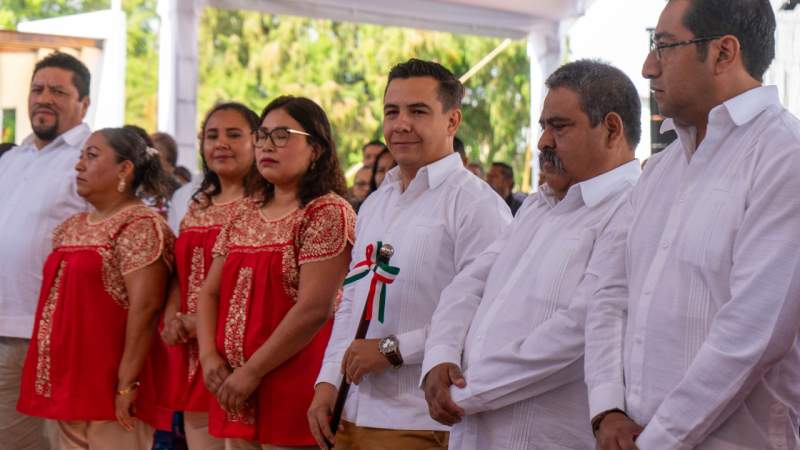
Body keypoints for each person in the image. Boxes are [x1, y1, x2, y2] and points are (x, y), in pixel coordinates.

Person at [585, 1, 800, 449]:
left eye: (663, 46)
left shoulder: (784, 157)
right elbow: (609, 291)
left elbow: (753, 334)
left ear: (724, 53)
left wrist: (655, 441)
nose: (647, 67)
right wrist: (608, 409)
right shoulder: (662, 171)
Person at [421, 60, 642, 450]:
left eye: (559, 127)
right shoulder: (542, 204)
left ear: (611, 129)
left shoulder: (633, 208)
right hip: (472, 429)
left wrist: (464, 393)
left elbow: (578, 333)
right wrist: (439, 356)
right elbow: (470, 282)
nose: (543, 142)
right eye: (543, 127)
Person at [307, 58, 511, 450]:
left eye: (418, 111)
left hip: (423, 416)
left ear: (452, 121)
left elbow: (486, 315)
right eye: (391, 111)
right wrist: (328, 380)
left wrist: (393, 350)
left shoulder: (476, 205)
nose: (401, 124)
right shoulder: (376, 203)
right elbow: (352, 301)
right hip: (351, 411)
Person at [196, 95, 355, 449]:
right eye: (262, 136)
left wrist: (251, 372)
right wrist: (209, 357)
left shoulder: (326, 211)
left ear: (315, 148)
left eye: (282, 135)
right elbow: (209, 291)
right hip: (233, 387)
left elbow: (315, 308)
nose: (267, 145)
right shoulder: (244, 212)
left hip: (293, 381)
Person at [16, 127, 175, 449]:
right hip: (67, 381)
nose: (78, 166)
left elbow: (146, 309)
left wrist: (127, 385)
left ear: (125, 169)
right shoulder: (71, 227)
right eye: (80, 156)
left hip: (112, 384)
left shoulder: (140, 226)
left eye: (91, 156)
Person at [0, 51, 92, 450]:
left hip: (40, 333)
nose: (44, 98)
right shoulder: (13, 158)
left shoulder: (89, 159)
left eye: (58, 91)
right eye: (37, 89)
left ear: (84, 103)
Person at [159, 102, 260, 449]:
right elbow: (179, 272)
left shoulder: (264, 204)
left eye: (234, 135)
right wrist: (173, 316)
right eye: (212, 135)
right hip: (190, 349)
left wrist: (200, 322)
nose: (221, 144)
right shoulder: (196, 204)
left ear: (257, 141)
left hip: (236, 353)